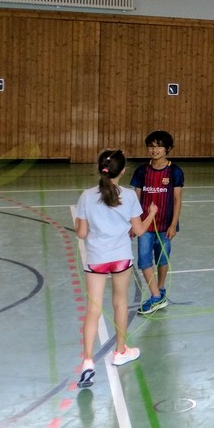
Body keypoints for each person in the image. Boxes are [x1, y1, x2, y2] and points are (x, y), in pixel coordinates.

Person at [72, 150, 157, 388]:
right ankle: (120, 351)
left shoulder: (87, 196)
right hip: (120, 258)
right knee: (120, 302)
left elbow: (81, 233)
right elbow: (139, 231)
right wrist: (151, 214)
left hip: (96, 260)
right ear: (123, 171)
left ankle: (88, 361)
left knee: (93, 309)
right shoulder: (129, 196)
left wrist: (77, 223)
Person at [129, 130, 184, 314]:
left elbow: (177, 200)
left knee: (162, 259)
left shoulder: (175, 172)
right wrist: (132, 223)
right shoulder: (141, 171)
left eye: (159, 146)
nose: (154, 150)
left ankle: (160, 290)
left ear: (167, 148)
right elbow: (134, 200)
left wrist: (173, 224)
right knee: (144, 261)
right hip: (144, 227)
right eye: (151, 146)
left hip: (165, 226)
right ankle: (155, 296)